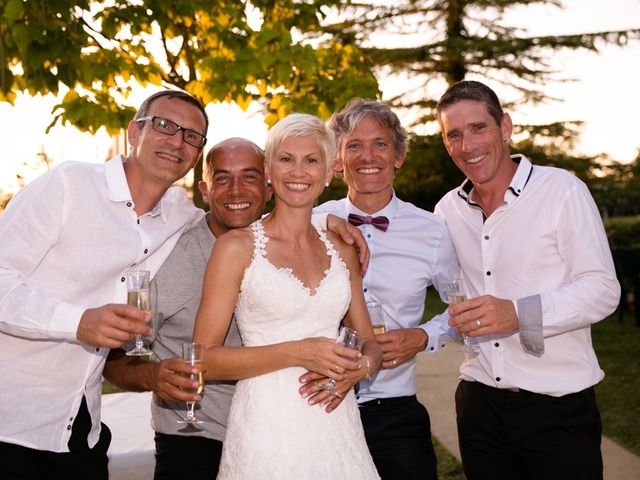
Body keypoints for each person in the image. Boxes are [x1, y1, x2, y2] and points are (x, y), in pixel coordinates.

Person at [0, 89, 209, 479]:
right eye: (164, 125)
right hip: (10, 420)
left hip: (82, 428)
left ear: (197, 154)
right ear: (134, 132)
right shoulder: (69, 184)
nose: (176, 141)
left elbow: (245, 226)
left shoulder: (182, 214)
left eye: (191, 136)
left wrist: (326, 222)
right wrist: (76, 321)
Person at [434, 80, 621, 480]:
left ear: (505, 126)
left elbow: (603, 289)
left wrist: (518, 314)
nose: (467, 145)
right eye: (454, 135)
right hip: (479, 405)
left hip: (557, 408)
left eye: (478, 128)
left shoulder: (562, 190)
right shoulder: (447, 209)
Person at [192, 113, 382, 479]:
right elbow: (204, 360)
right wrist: (297, 351)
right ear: (268, 169)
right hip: (266, 429)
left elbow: (370, 343)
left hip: (336, 424)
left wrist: (360, 368)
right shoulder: (236, 247)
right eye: (286, 159)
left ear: (329, 173)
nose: (298, 171)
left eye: (311, 160)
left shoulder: (341, 248)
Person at [301, 98, 460, 480]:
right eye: (353, 145)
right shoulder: (309, 222)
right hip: (318, 408)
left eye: (380, 144)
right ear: (337, 159)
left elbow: (462, 307)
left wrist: (423, 336)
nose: (366, 156)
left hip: (395, 413)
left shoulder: (432, 231)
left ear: (398, 155)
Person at [102, 138, 270, 478]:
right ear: (205, 189)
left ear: (269, 186)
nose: (235, 190)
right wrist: (152, 375)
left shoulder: (293, 246)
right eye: (222, 178)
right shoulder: (168, 258)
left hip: (279, 432)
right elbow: (114, 358)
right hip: (195, 437)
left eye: (249, 177)